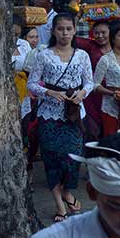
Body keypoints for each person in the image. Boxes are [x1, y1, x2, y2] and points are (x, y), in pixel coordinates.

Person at [27, 13, 94, 222]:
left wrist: (83, 93)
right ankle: (59, 205)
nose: (64, 33)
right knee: (52, 159)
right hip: (49, 115)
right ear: (53, 31)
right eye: (60, 29)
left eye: (68, 29)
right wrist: (48, 92)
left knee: (73, 158)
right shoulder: (43, 55)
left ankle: (67, 192)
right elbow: (32, 83)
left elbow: (89, 83)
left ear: (74, 30)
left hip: (73, 114)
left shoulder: (82, 55)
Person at [76, 19, 113, 139]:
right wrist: (76, 18)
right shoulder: (91, 45)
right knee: (93, 124)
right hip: (93, 93)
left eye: (103, 32)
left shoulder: (118, 46)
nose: (100, 36)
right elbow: (73, 38)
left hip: (112, 91)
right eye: (96, 33)